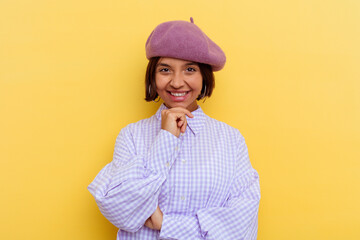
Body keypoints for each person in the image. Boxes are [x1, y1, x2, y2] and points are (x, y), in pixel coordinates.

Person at [88, 18, 260, 240]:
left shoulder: (230, 140)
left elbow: (240, 225)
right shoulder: (131, 136)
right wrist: (166, 139)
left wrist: (165, 223)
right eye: (165, 69)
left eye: (190, 69)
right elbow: (120, 209)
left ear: (204, 76)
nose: (177, 82)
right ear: (153, 75)